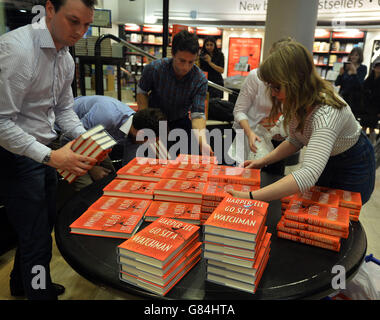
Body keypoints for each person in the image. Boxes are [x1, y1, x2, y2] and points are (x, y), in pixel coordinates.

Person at [0, 0, 98, 300]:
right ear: (50, 10)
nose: (80, 32)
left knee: (40, 228)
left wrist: (87, 139)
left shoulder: (64, 56)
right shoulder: (18, 50)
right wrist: (51, 156)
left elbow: (65, 110)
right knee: (37, 238)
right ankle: (40, 294)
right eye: (73, 21)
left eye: (86, 25)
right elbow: (1, 123)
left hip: (45, 152)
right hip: (16, 155)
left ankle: (23, 284)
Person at [229, 41, 375, 206]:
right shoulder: (298, 100)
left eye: (277, 88)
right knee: (319, 214)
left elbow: (308, 174)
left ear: (296, 82)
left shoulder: (326, 113)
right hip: (328, 160)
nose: (274, 94)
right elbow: (295, 140)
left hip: (352, 164)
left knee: (341, 215)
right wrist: (261, 162)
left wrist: (250, 197)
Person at [57, 95, 167, 190]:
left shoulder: (136, 130)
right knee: (87, 186)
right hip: (62, 136)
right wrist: (92, 169)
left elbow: (129, 165)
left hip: (95, 140)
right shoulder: (106, 116)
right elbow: (67, 139)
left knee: (111, 179)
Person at [136, 29, 213, 158]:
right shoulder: (154, 69)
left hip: (180, 121)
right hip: (154, 120)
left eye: (191, 62)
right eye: (181, 61)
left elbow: (198, 115)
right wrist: (146, 121)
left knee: (184, 162)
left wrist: (203, 142)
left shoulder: (200, 79)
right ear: (172, 53)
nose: (186, 67)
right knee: (151, 160)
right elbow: (141, 91)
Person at [228, 37, 294, 174]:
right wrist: (250, 132)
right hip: (251, 140)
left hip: (278, 144)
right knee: (245, 180)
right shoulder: (255, 77)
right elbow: (239, 110)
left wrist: (282, 127)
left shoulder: (292, 83)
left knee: (272, 182)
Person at [335, 47, 367, 120]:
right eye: (352, 55)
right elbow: (337, 83)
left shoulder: (363, 68)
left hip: (354, 100)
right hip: (343, 98)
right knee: (340, 119)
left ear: (360, 57)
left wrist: (354, 73)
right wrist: (340, 74)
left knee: (351, 121)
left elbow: (359, 85)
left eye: (356, 55)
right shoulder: (346, 67)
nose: (353, 57)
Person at [361, 57, 380, 144]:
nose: (378, 69)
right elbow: (363, 90)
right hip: (366, 106)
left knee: (372, 127)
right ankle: (362, 142)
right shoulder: (369, 78)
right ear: (374, 67)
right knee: (363, 126)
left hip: (376, 108)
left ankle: (371, 143)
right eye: (377, 67)